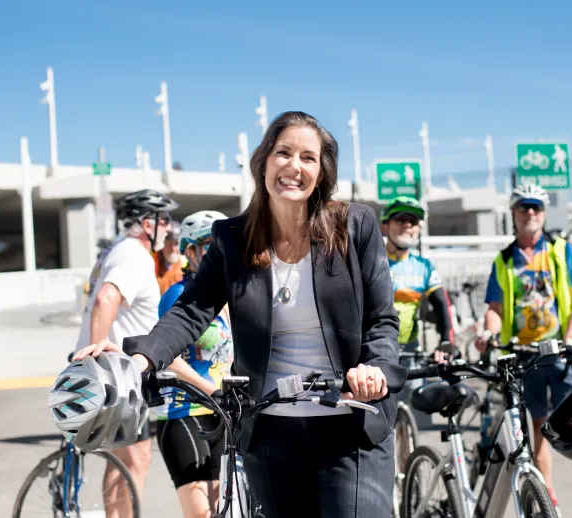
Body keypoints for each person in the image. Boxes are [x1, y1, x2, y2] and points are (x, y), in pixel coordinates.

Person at [76, 110, 405, 518]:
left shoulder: (355, 226)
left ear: (321, 172)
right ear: (263, 161)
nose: (294, 166)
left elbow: (381, 319)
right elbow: (190, 311)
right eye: (283, 152)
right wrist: (136, 358)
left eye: (308, 157)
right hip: (271, 428)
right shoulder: (232, 239)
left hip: (350, 419)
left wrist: (374, 367)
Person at [475, 184, 572, 518]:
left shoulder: (562, 250)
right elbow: (495, 306)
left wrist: (568, 339)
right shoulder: (504, 259)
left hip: (563, 356)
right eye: (523, 207)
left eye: (535, 207)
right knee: (538, 428)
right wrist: (488, 332)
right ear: (513, 214)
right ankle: (550, 503)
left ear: (544, 213)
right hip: (524, 356)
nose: (530, 213)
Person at [74, 188, 178, 518]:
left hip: (119, 372)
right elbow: (106, 299)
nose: (168, 227)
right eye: (165, 220)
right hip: (118, 375)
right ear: (148, 223)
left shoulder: (115, 251)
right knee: (135, 459)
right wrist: (97, 360)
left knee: (124, 459)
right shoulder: (134, 254)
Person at [154, 210, 234, 518]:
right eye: (209, 245)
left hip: (221, 413)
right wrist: (210, 388)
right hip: (184, 413)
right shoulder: (178, 295)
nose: (219, 253)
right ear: (190, 251)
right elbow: (167, 354)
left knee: (221, 511)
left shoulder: (226, 296)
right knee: (202, 514)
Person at [379, 196, 454, 431]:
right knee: (380, 423)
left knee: (409, 421)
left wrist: (445, 342)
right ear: (385, 225)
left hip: (410, 352)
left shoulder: (424, 267)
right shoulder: (371, 260)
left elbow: (442, 305)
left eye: (412, 221)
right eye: (400, 219)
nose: (407, 225)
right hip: (377, 351)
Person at [157, 220, 186, 294]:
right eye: (169, 243)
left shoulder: (187, 266)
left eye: (176, 243)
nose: (173, 249)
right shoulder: (151, 264)